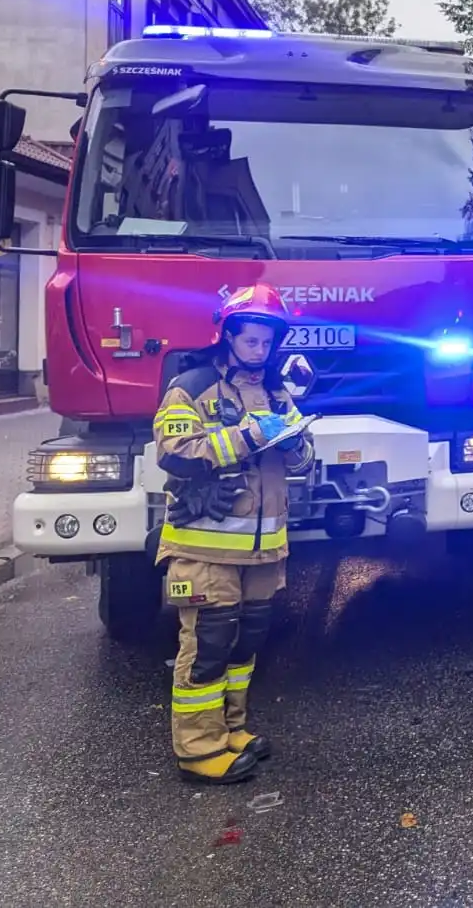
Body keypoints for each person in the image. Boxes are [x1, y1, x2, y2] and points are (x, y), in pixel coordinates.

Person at [152, 284, 315, 784]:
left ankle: (231, 729)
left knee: (246, 644)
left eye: (267, 341)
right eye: (250, 340)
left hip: (263, 550)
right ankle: (199, 751)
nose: (259, 350)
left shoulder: (276, 392)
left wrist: (293, 445)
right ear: (227, 336)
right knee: (208, 646)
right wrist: (248, 436)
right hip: (205, 548)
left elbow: (305, 460)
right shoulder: (191, 386)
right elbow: (174, 451)